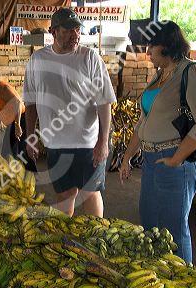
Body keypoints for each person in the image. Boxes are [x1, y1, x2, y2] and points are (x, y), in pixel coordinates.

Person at [119, 21, 196, 263]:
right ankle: (159, 273)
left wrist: (177, 158)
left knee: (174, 227)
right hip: (152, 161)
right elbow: (142, 123)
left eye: (150, 48)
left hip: (177, 161)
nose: (147, 54)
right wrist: (126, 157)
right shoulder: (160, 76)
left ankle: (184, 277)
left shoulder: (191, 72)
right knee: (150, 221)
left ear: (164, 45)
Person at [23, 8, 116, 217]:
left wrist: (103, 141)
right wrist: (30, 136)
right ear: (54, 31)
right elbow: (30, 103)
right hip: (55, 144)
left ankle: (96, 237)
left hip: (88, 144)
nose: (75, 34)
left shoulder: (90, 58)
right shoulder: (37, 60)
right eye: (69, 30)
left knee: (90, 193)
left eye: (77, 29)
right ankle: (66, 241)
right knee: (65, 194)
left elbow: (104, 102)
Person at [0, 81, 37, 171]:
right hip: (12, 122)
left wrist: (18, 124)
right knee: (7, 150)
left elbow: (17, 103)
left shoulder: (2, 89)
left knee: (22, 148)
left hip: (22, 118)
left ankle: (31, 174)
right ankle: (11, 174)